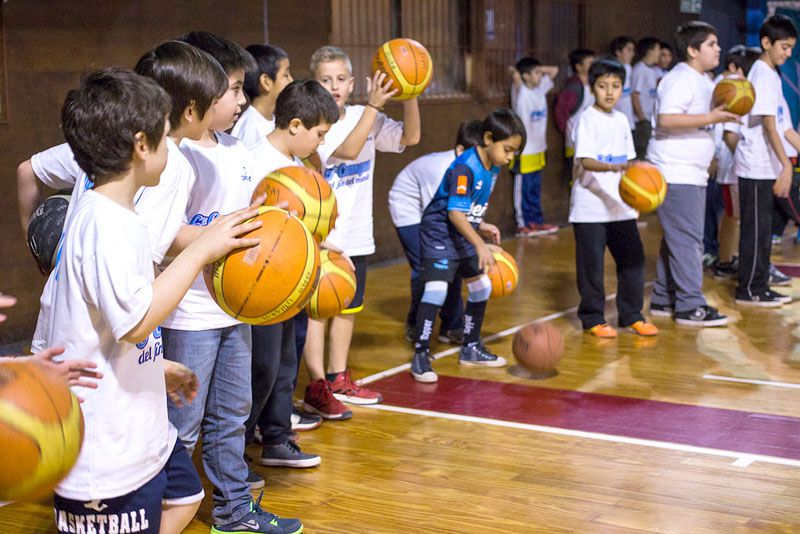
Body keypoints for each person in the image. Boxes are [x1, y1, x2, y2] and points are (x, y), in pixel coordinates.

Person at [47, 67, 260, 534]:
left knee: (186, 498)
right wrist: (204, 249)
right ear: (142, 146)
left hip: (145, 434)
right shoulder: (105, 223)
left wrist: (152, 368)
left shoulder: (121, 216)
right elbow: (137, 321)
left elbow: (96, 323)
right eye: (167, 138)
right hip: (104, 451)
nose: (172, 148)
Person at [164, 31, 302, 534]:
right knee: (182, 423)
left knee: (232, 414)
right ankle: (158, 510)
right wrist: (214, 240)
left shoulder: (238, 150)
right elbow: (162, 236)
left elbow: (247, 219)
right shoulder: (175, 156)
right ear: (199, 94)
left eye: (244, 90)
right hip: (187, 311)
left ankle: (234, 510)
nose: (243, 101)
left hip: (234, 306)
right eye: (234, 90)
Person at [301, 45, 418, 419]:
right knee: (318, 311)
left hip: (357, 232)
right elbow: (350, 150)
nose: (334, 86)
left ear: (352, 83)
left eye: (340, 79)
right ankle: (316, 383)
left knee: (348, 308)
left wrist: (412, 93)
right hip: (323, 236)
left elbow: (410, 138)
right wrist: (374, 106)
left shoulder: (364, 115)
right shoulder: (318, 122)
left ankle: (338, 377)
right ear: (314, 83)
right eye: (325, 79)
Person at [244, 80, 338, 474]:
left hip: (292, 281)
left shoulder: (300, 167)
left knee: (285, 363)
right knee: (261, 368)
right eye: (318, 134)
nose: (320, 143)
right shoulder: (251, 162)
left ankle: (278, 437)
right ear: (295, 125)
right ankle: (243, 444)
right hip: (260, 285)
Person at [409, 108, 525, 383]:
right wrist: (480, 245)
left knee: (481, 286)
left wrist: (480, 225)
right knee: (436, 291)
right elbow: (454, 213)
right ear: (487, 138)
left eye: (514, 153)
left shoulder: (492, 167)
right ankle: (420, 354)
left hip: (460, 231)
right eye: (507, 150)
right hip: (439, 233)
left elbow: (466, 207)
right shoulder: (464, 167)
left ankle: (470, 347)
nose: (509, 158)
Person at [647, 21, 739, 326]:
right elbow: (667, 119)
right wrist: (711, 116)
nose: (718, 48)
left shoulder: (704, 80)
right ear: (692, 50)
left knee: (676, 239)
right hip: (675, 171)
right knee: (688, 240)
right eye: (711, 44)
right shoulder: (679, 79)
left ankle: (664, 297)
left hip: (691, 172)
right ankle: (689, 305)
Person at [570, 58, 657, 338]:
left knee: (633, 262)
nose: (610, 92)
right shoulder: (586, 119)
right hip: (591, 207)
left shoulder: (621, 121)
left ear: (623, 89)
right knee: (591, 267)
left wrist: (640, 194)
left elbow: (630, 163)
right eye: (603, 86)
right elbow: (585, 160)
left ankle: (631, 314)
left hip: (621, 206)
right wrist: (614, 167)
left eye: (616, 86)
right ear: (592, 88)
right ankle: (593, 318)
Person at [389, 120, 484, 344]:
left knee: (450, 263)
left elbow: (464, 207)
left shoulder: (473, 170)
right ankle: (416, 324)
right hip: (409, 208)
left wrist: (483, 226)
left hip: (434, 212)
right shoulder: (443, 171)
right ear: (460, 150)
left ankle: (451, 326)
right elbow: (443, 213)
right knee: (428, 265)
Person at [732, 14, 797, 307]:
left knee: (763, 230)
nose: (788, 53)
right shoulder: (761, 72)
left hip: (768, 164)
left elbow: (785, 128)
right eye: (784, 46)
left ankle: (760, 284)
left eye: (791, 48)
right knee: (755, 231)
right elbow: (770, 126)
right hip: (756, 164)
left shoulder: (773, 74)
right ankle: (749, 289)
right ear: (766, 43)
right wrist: (786, 165)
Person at [509, 56, 559, 237]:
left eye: (540, 73)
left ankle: (536, 222)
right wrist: (521, 72)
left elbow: (554, 70)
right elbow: (514, 73)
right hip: (524, 151)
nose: (541, 76)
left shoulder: (540, 90)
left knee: (535, 189)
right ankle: (523, 225)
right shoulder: (520, 93)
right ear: (525, 76)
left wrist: (538, 69)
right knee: (523, 188)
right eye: (536, 73)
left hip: (539, 149)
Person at [232, 44, 292, 149]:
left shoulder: (273, 120)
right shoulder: (250, 128)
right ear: (266, 82)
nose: (291, 80)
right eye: (285, 75)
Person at [555, 49, 595, 167]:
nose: (594, 66)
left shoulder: (592, 84)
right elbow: (561, 112)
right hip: (575, 138)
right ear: (578, 67)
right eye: (590, 63)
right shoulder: (573, 87)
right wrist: (567, 131)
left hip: (591, 137)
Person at [631, 37, 662, 159]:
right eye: (658, 49)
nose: (659, 53)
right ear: (650, 51)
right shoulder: (639, 69)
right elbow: (634, 95)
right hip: (641, 121)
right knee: (641, 153)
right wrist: (642, 119)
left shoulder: (653, 70)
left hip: (650, 118)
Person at [610, 36, 637, 132]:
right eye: (628, 50)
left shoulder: (628, 67)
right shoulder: (610, 69)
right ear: (618, 52)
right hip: (613, 120)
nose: (632, 54)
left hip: (628, 118)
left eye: (633, 50)